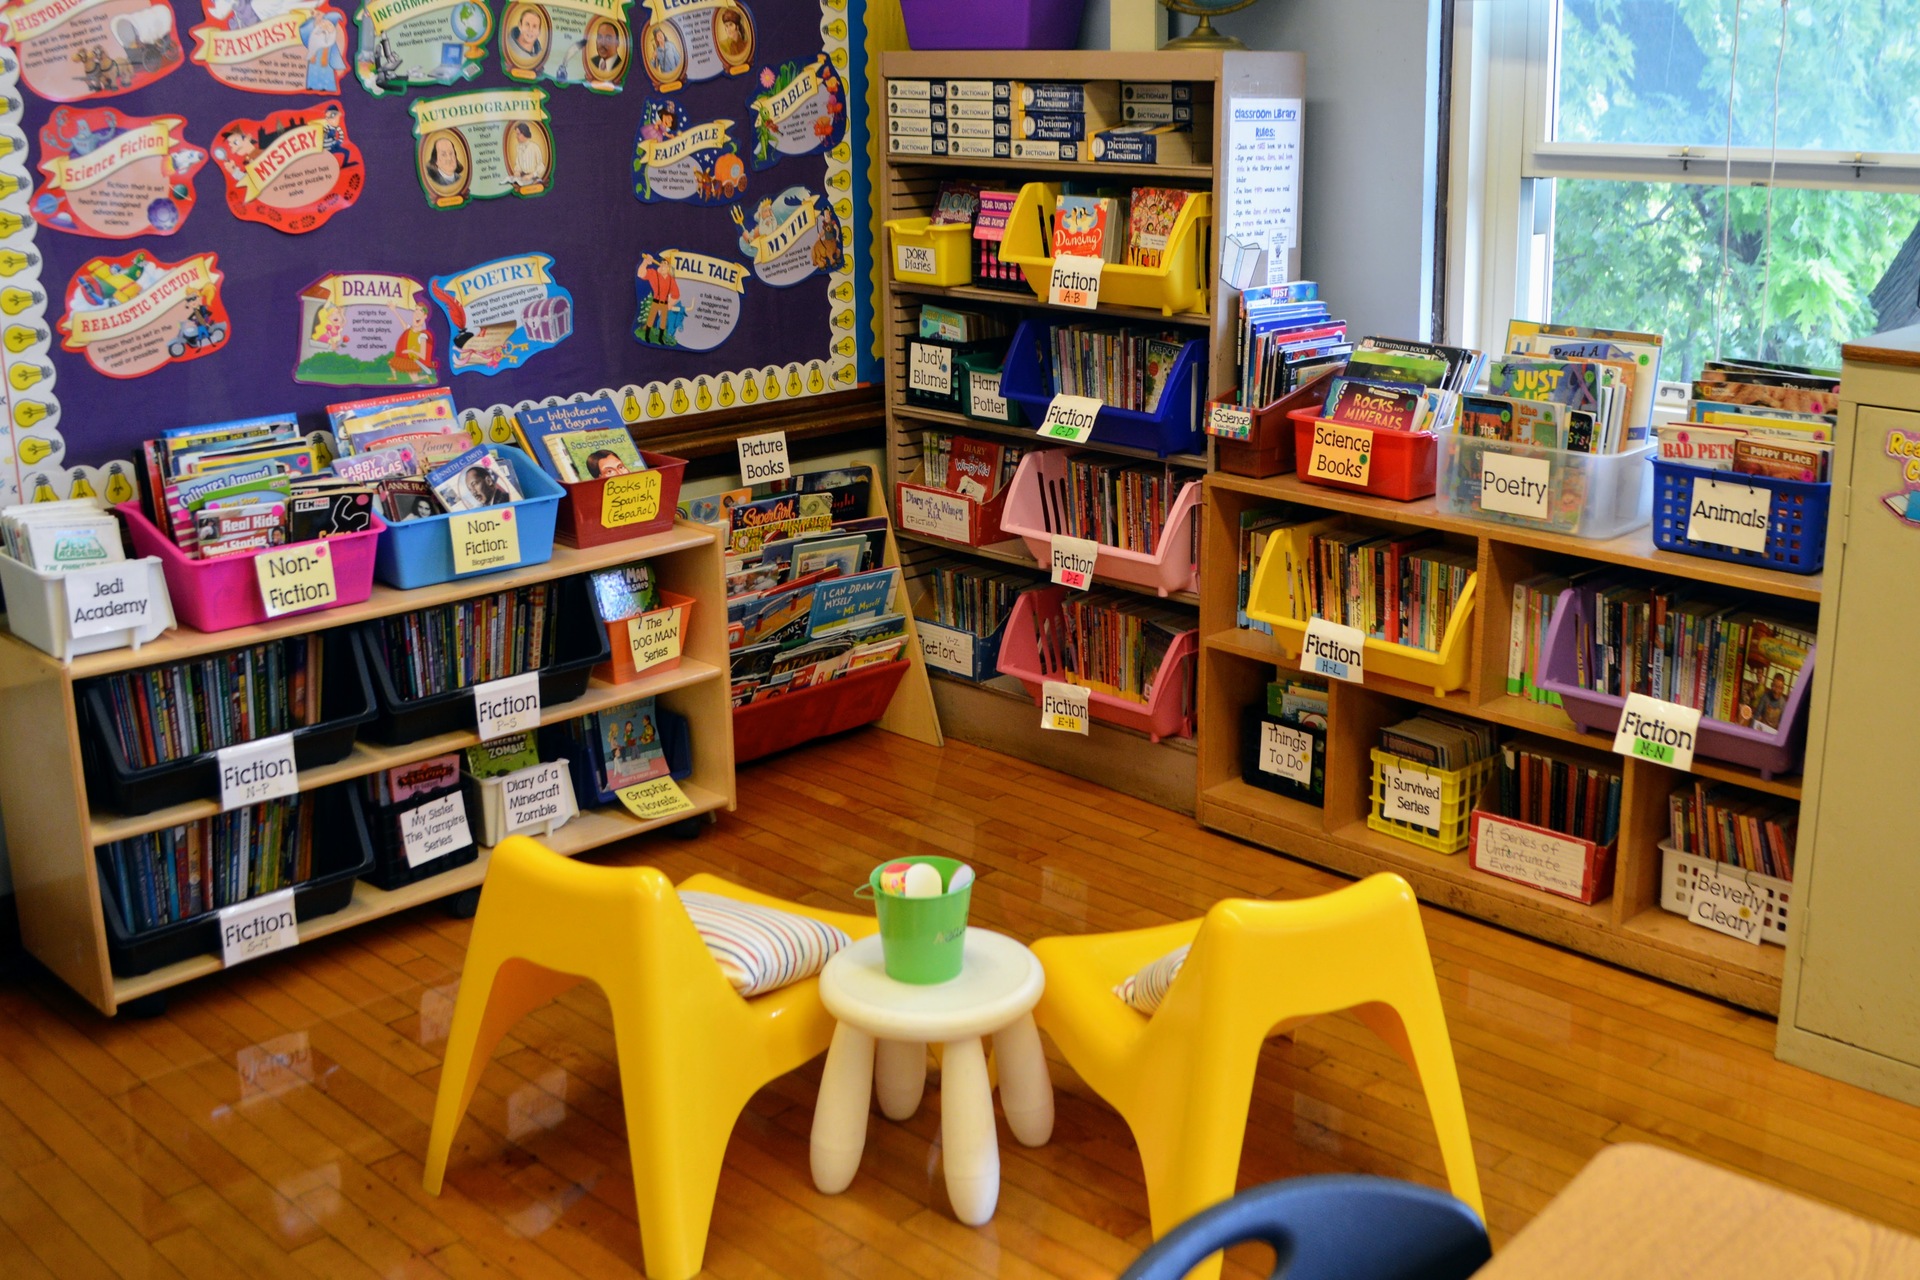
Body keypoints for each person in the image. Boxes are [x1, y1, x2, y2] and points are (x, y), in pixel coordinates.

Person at [303, 12, 346, 92]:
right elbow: (311, 42)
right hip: (314, 58)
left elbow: (334, 52)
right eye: (324, 23)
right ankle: (311, 85)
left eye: (329, 25)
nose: (325, 26)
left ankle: (326, 86)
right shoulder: (316, 33)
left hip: (325, 60)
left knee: (325, 73)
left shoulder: (331, 39)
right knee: (313, 71)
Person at [507, 121, 546, 187]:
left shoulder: (534, 147)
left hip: (533, 177)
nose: (516, 137)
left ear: (524, 133)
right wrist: (517, 171)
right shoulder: (518, 148)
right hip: (523, 177)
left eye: (518, 134)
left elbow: (541, 166)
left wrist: (531, 175)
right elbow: (518, 164)